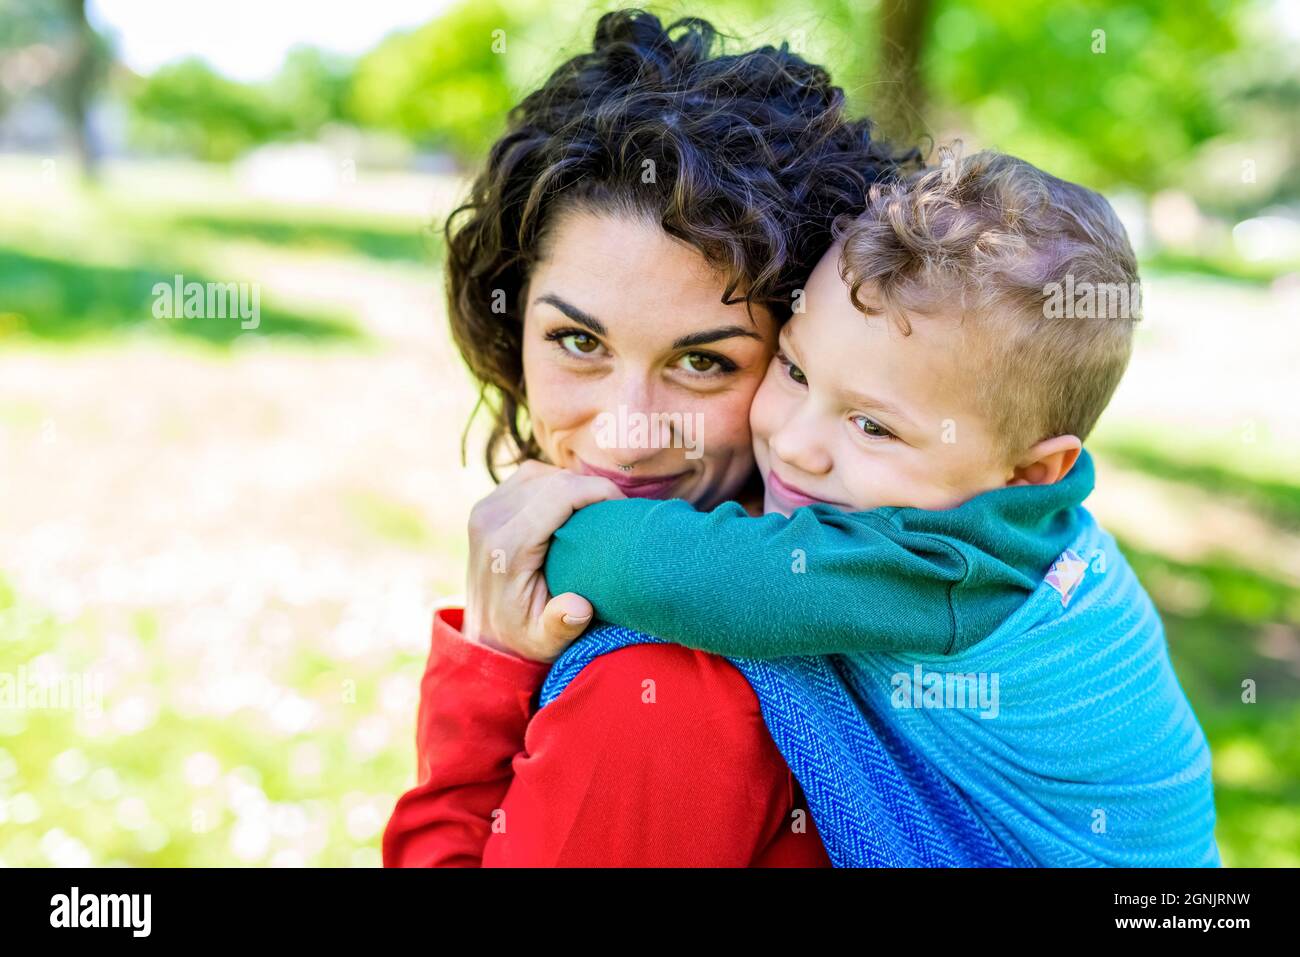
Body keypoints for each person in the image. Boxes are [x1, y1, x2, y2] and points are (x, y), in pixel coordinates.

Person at [544, 147, 1221, 866]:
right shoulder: (1006, 518)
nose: (798, 442)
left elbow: (702, 580)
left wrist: (559, 527)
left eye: (873, 426)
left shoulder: (955, 565)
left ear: (1029, 471)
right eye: (796, 370)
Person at [382, 10, 932, 866]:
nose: (626, 433)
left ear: (805, 360)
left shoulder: (661, 691)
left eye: (705, 362)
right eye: (578, 341)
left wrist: (484, 674)